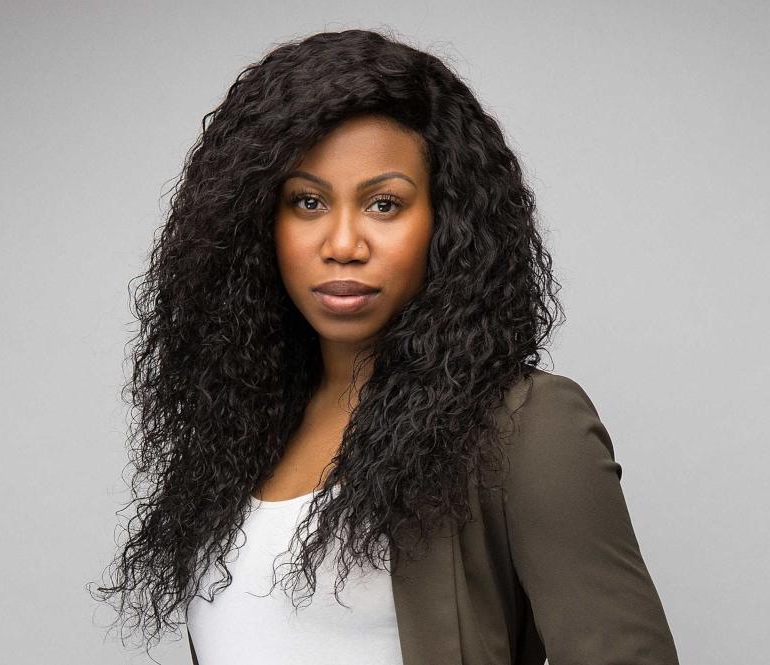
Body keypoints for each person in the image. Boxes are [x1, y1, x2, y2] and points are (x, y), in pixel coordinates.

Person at [90, 28, 680, 665]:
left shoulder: (526, 425)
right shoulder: (240, 432)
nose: (343, 243)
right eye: (308, 201)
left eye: (384, 204)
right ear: (257, 222)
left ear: (447, 220)